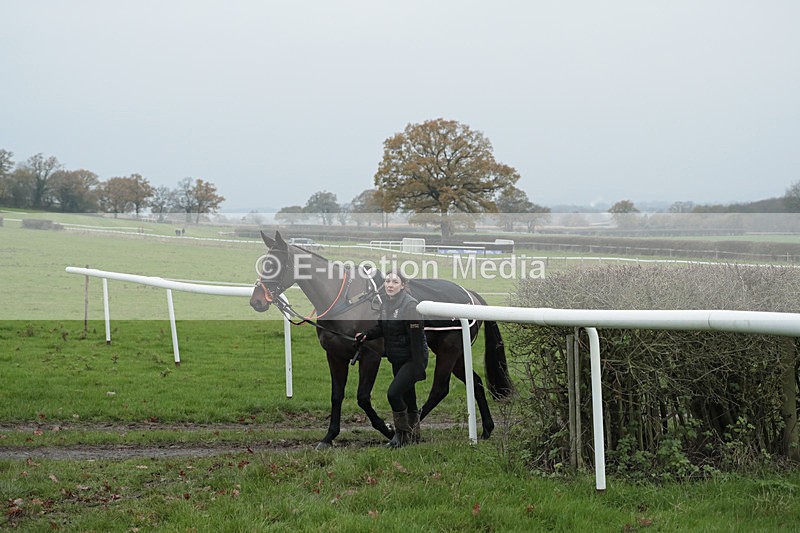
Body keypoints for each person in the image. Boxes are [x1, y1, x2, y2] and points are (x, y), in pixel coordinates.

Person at [356, 270, 429, 448]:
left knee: (394, 394)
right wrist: (366, 335)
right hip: (397, 359)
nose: (390, 285)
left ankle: (401, 436)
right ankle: (414, 435)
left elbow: (417, 339)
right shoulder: (386, 304)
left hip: (412, 360)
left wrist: (419, 368)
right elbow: (382, 327)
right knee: (409, 397)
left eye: (395, 282)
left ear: (403, 285)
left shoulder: (410, 306)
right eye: (388, 281)